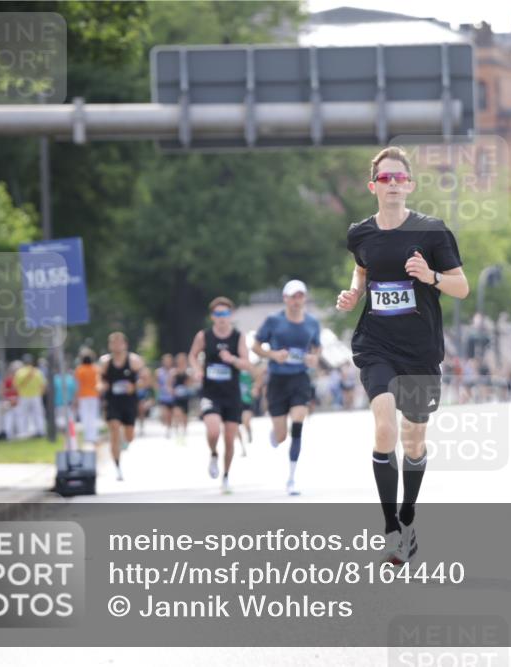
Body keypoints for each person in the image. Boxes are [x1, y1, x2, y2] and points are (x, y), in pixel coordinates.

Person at [336, 146, 469, 565]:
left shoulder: (432, 232)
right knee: (384, 428)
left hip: (420, 350)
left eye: (399, 178)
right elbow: (362, 267)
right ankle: (391, 528)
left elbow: (461, 286)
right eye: (385, 178)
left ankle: (408, 517)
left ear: (409, 185)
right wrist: (354, 292)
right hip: (376, 343)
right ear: (372, 186)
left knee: (413, 441)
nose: (392, 184)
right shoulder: (360, 233)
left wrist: (430, 276)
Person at [252, 280, 322, 496]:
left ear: (305, 298)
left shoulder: (312, 322)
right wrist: (273, 354)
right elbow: (255, 346)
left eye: (300, 296)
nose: (296, 300)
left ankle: (291, 478)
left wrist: (314, 358)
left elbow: (317, 347)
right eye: (293, 296)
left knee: (298, 423)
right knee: (281, 436)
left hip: (300, 378)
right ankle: (276, 433)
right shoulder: (273, 320)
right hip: (277, 380)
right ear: (285, 298)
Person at [188, 297, 252, 494]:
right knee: (214, 431)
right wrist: (198, 369)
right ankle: (214, 454)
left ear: (230, 315)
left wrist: (232, 359)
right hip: (211, 393)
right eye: (218, 314)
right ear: (212, 316)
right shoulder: (204, 336)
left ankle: (225, 476)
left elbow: (246, 364)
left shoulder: (238, 337)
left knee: (230, 439)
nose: (222, 317)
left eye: (225, 313)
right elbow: (192, 356)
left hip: (231, 394)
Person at [99, 332, 144, 480]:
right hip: (112, 402)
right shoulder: (105, 362)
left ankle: (125, 441)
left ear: (125, 344)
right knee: (114, 429)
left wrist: (134, 386)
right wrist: (102, 385)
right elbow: (100, 379)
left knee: (129, 436)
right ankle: (117, 467)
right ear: (110, 345)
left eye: (119, 343)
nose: (117, 346)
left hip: (129, 402)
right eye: (113, 343)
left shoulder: (134, 361)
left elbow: (145, 379)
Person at [13, 354, 47, 439]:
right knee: (38, 414)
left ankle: (23, 432)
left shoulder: (19, 372)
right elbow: (43, 385)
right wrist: (40, 394)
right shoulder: (37, 371)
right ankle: (40, 430)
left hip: (23, 396)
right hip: (36, 396)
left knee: (22, 415)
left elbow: (16, 386)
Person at [74, 353, 101, 445]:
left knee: (85, 416)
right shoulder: (96, 369)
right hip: (94, 395)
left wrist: (76, 398)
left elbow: (77, 385)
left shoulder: (79, 370)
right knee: (93, 416)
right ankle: (93, 436)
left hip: (83, 396)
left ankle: (87, 436)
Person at [171, 352, 192, 441]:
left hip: (185, 396)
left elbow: (190, 384)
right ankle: (176, 432)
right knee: (177, 413)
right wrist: (173, 391)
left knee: (185, 415)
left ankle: (184, 432)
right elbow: (169, 384)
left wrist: (187, 385)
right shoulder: (174, 372)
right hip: (177, 397)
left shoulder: (188, 372)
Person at [156, 354, 175, 437]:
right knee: (165, 414)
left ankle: (169, 428)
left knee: (170, 415)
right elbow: (156, 383)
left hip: (173, 397)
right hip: (163, 396)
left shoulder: (174, 371)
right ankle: (167, 428)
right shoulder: (159, 372)